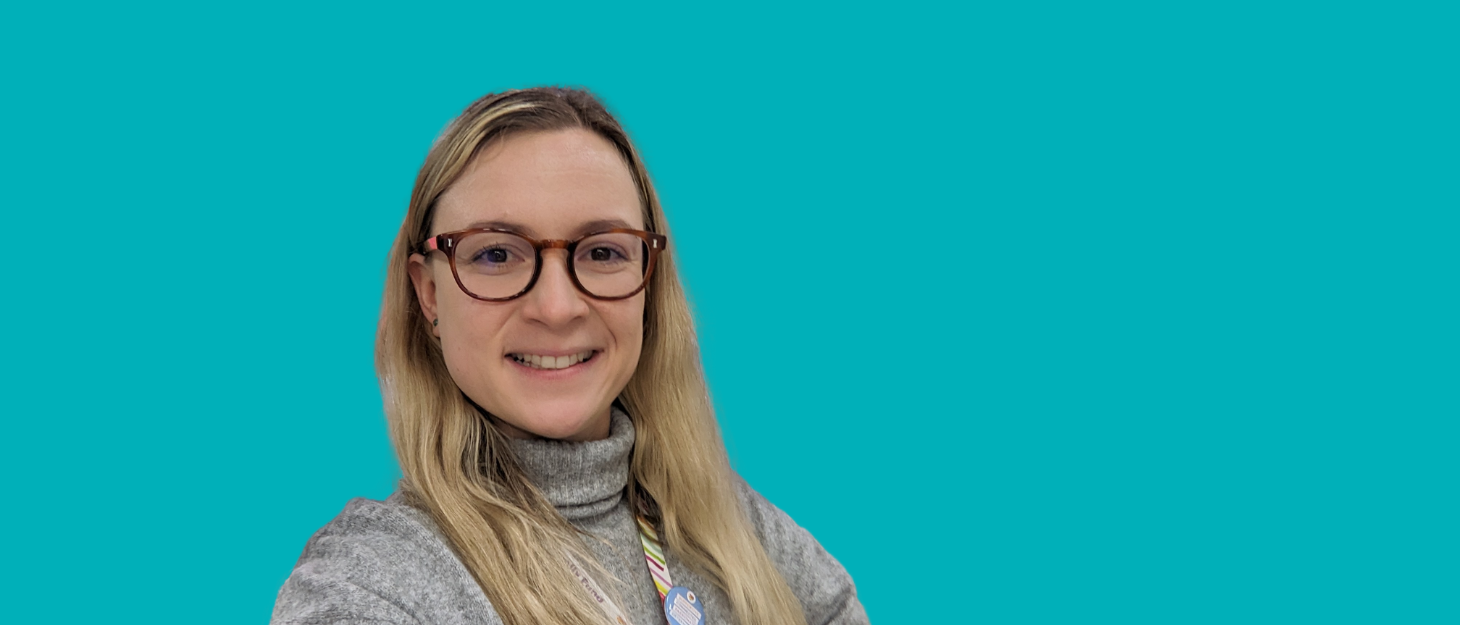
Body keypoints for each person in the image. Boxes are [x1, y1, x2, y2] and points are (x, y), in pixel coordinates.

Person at [270, 87, 868, 625]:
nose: (557, 308)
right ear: (429, 294)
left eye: (603, 252)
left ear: (648, 282)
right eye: (497, 256)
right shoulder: (374, 580)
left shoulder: (724, 524)